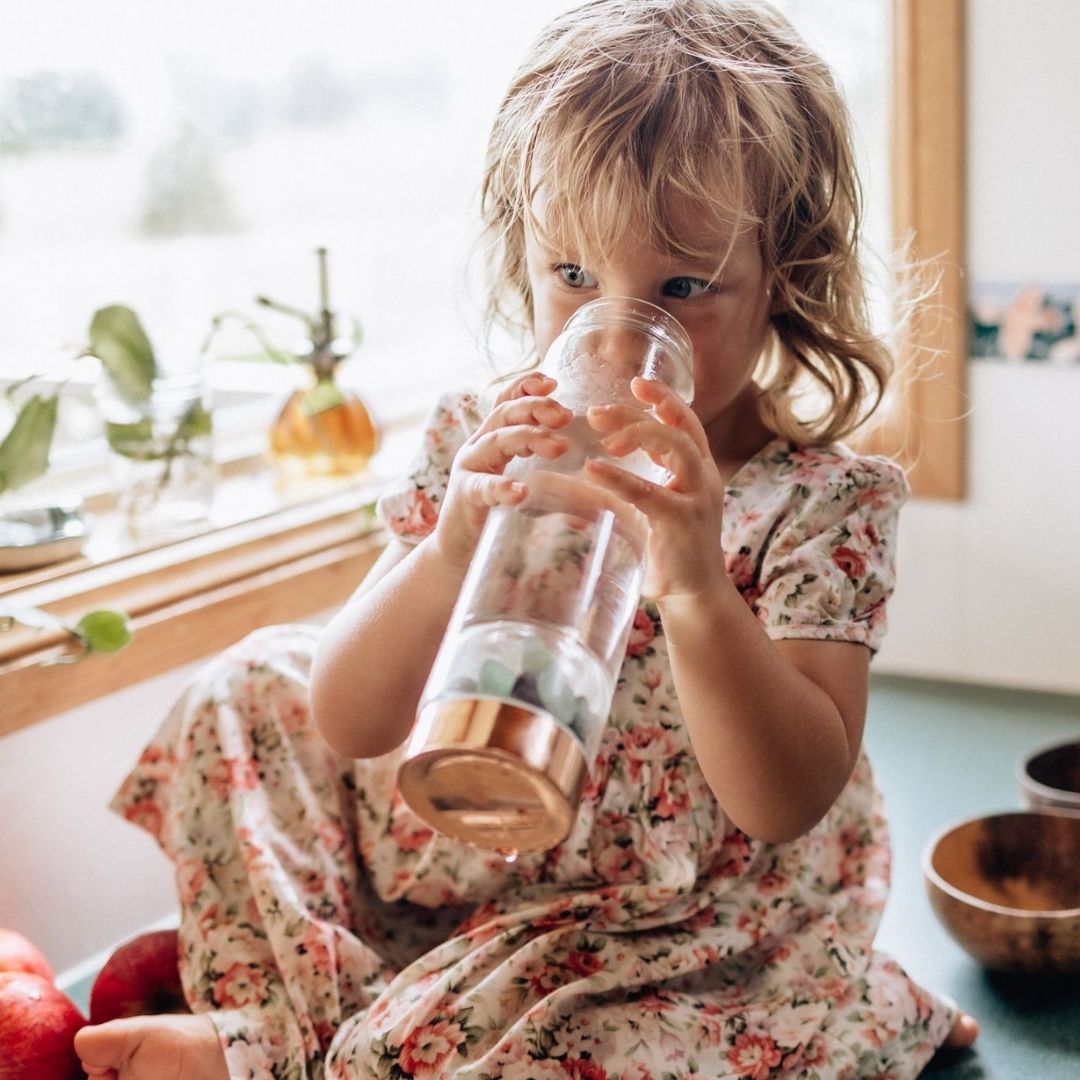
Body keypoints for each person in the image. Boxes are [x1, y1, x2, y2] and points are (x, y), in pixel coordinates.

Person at [76, 2, 980, 1077]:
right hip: (475, 852)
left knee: (525, 1044)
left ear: (785, 273)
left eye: (682, 288)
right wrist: (455, 540)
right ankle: (303, 1026)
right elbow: (350, 718)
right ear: (528, 253)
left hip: (674, 923)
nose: (613, 331)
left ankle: (348, 1047)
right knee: (246, 690)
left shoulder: (821, 503)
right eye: (573, 277)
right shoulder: (483, 437)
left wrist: (695, 584)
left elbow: (786, 799)